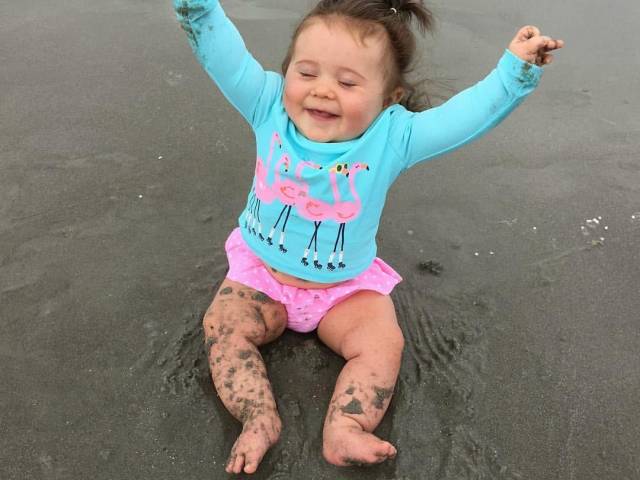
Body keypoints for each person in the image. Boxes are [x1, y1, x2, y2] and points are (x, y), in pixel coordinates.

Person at [172, 0, 563, 474]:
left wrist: (514, 72)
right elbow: (222, 54)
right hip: (260, 277)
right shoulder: (267, 106)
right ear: (287, 72)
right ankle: (257, 415)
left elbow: (461, 118)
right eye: (307, 72)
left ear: (388, 96)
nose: (322, 92)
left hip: (345, 292)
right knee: (223, 326)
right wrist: (197, 9)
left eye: (348, 82)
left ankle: (347, 428)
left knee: (383, 344)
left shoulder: (392, 137)